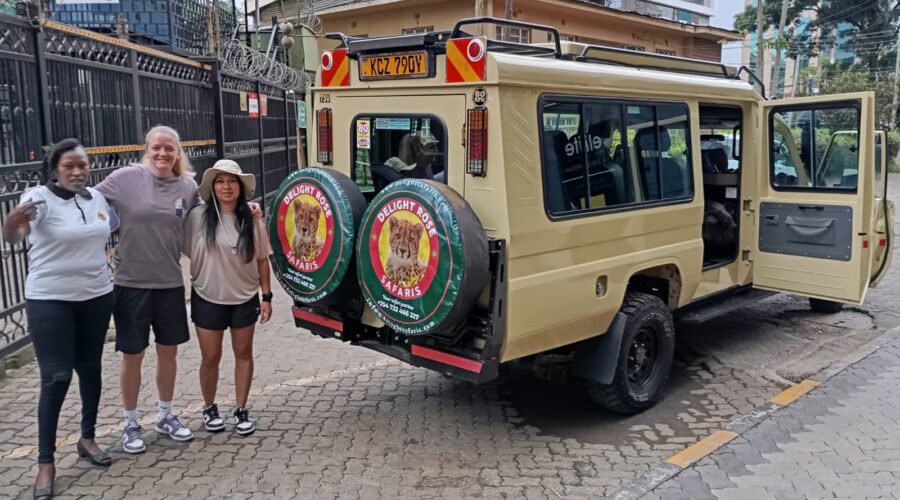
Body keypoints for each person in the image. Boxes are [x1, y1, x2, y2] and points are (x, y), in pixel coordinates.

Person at [3, 139, 115, 499]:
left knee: (91, 369)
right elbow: (14, 235)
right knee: (56, 376)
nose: (78, 171)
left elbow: (107, 234)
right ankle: (45, 463)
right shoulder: (37, 199)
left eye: (82, 164)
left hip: (96, 297)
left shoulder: (95, 198)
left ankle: (87, 439)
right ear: (55, 169)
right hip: (50, 300)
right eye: (69, 166)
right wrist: (11, 223)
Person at [94, 126, 200, 453]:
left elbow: (207, 219)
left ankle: (166, 415)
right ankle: (130, 422)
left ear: (178, 152)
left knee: (169, 352)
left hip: (169, 283)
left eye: (170, 148)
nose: (163, 154)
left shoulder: (188, 186)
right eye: (157, 148)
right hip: (130, 284)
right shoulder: (125, 178)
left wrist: (248, 211)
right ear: (147, 149)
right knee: (133, 355)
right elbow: (88, 201)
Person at [182, 159, 272, 435]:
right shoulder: (197, 217)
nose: (226, 186)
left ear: (241, 187)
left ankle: (241, 408)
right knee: (211, 356)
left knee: (243, 353)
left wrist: (266, 296)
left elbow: (262, 259)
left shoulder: (252, 218)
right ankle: (209, 407)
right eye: (220, 181)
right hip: (208, 295)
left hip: (244, 296)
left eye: (232, 181)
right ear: (212, 187)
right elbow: (183, 249)